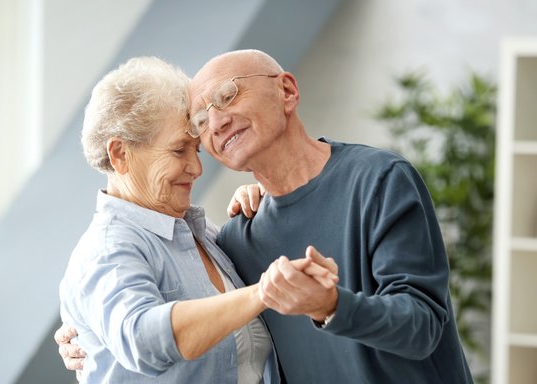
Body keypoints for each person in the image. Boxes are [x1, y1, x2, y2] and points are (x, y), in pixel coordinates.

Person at [59, 49, 474, 383]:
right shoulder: (238, 237)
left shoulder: (378, 182)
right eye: (201, 121)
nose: (216, 123)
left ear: (288, 92)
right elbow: (139, 332)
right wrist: (87, 333)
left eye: (227, 95)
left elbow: (422, 329)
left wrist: (330, 304)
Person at [58, 55, 336, 383]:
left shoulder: (206, 237)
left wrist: (262, 204)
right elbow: (143, 340)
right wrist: (263, 293)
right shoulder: (105, 249)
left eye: (197, 150)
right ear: (120, 154)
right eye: (178, 151)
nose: (197, 168)